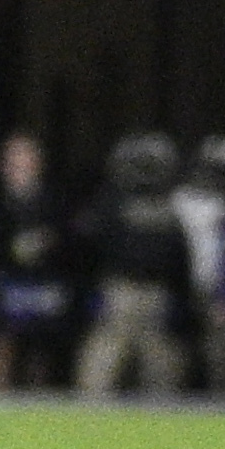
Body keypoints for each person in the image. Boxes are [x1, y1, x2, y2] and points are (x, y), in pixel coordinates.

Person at [76, 135, 198, 396]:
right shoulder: (112, 204)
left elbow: (180, 261)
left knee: (162, 372)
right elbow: (92, 249)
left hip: (156, 297)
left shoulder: (168, 210)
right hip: (120, 293)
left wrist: (182, 303)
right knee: (100, 370)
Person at [0, 135, 77, 390]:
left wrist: (47, 243)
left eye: (24, 158)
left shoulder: (55, 201)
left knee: (41, 352)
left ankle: (38, 403)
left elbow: (68, 239)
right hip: (7, 284)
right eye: (12, 159)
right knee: (3, 344)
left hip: (44, 285)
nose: (17, 165)